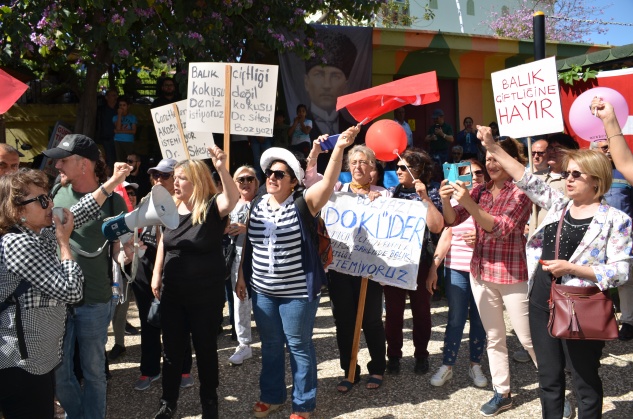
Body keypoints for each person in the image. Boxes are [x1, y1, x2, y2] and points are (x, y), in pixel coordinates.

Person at [479, 121, 632, 419]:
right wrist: (493, 146)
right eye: (566, 173)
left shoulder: (617, 220)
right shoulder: (560, 204)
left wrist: (574, 268)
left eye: (576, 174)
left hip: (581, 303)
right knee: (548, 379)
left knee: (585, 379)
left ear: (596, 180)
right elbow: (524, 177)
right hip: (542, 298)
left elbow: (621, 271)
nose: (568, 179)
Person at [236, 126, 359, 419]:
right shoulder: (256, 205)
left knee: (299, 347)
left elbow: (328, 182)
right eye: (269, 173)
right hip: (263, 291)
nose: (272, 178)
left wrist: (339, 148)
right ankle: (272, 397)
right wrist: (241, 275)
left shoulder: (304, 204)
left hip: (297, 294)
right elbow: (249, 244)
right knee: (271, 346)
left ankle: (303, 405)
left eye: (280, 174)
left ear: (293, 182)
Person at [0, 164, 130, 418]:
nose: (50, 204)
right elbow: (71, 291)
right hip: (20, 362)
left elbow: (78, 212)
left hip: (37, 359)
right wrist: (64, 244)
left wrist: (112, 183)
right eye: (41, 200)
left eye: (48, 197)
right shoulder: (18, 243)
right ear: (17, 210)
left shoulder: (37, 233)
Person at [440, 137, 535, 417]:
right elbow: (451, 219)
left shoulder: (521, 193)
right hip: (480, 273)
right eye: (489, 158)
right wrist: (446, 200)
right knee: (494, 337)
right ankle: (502, 392)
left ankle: (554, 388)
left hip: (512, 274)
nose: (492, 163)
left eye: (498, 157)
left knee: (528, 338)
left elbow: (499, 227)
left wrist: (467, 201)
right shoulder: (480, 191)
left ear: (513, 162)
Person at [44, 134, 130, 419]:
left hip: (93, 299)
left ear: (83, 165)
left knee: (94, 371)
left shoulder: (114, 202)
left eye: (63, 160)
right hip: (58, 300)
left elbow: (120, 247)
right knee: (60, 372)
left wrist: (126, 254)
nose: (57, 165)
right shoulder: (58, 190)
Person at [150, 147, 239, 419]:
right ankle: (168, 402)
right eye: (174, 177)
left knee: (205, 350)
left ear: (197, 180)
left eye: (181, 178)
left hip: (205, 295)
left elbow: (232, 198)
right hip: (174, 292)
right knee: (173, 351)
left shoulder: (212, 207)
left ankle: (209, 403)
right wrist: (157, 273)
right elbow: (164, 240)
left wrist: (222, 167)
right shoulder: (169, 208)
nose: (174, 182)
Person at [329, 145, 392, 393]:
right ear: (348, 167)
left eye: (364, 162)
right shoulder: (337, 192)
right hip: (341, 269)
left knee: (371, 320)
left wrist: (380, 207)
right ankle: (350, 370)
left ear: (373, 169)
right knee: (344, 321)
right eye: (354, 162)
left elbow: (391, 231)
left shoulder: (383, 195)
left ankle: (377, 367)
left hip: (370, 271)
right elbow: (312, 182)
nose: (358, 166)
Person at [131, 158, 194, 391]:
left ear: (176, 179)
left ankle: (183, 368)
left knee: (178, 322)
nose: (158, 179)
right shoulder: (147, 199)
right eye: (155, 175)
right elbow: (135, 228)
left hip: (172, 270)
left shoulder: (185, 204)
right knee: (148, 321)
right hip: (144, 269)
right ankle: (149, 370)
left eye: (165, 176)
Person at [426, 159, 488, 388]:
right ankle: (447, 365)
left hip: (483, 269)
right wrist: (434, 267)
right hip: (456, 269)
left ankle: (475, 365)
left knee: (480, 321)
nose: (475, 178)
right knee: (455, 319)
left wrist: (483, 238)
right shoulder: (453, 202)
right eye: (469, 174)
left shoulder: (490, 201)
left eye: (479, 173)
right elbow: (446, 235)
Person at [384, 148, 444, 376]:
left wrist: (425, 198)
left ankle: (421, 355)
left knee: (421, 312)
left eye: (403, 167)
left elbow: (437, 227)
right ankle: (394, 357)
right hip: (394, 264)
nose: (397, 171)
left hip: (420, 262)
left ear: (417, 170)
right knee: (393, 314)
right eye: (397, 167)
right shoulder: (391, 193)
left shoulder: (433, 192)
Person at [591, 97, 633, 342]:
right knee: (597, 280)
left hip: (624, 238)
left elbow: (625, 161)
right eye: (602, 147)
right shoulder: (586, 175)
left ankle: (627, 321)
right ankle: (599, 320)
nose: (606, 151)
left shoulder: (623, 173)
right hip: (596, 238)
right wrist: (609, 119)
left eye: (609, 147)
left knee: (626, 280)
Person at [225, 166, 259, 366]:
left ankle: (276, 340)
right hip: (237, 258)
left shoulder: (264, 203)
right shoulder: (230, 205)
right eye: (240, 179)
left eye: (250, 179)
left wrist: (247, 228)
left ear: (257, 182)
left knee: (265, 303)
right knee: (240, 302)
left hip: (262, 259)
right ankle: (244, 344)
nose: (245, 183)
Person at [107, 180, 140, 362]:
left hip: (143, 270)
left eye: (132, 193)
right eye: (126, 193)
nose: (130, 197)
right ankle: (119, 343)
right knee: (120, 307)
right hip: (122, 270)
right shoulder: (113, 217)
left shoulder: (142, 213)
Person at [96, 88, 119, 168]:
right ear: (106, 97)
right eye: (113, 95)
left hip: (118, 138)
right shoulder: (101, 110)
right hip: (106, 138)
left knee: (118, 160)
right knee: (109, 160)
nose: (115, 97)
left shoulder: (119, 109)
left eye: (116, 95)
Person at [113, 97, 137, 162]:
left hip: (129, 141)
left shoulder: (132, 117)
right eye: (120, 105)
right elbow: (117, 128)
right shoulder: (115, 117)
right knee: (120, 160)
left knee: (130, 160)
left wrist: (119, 131)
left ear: (128, 106)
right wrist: (119, 115)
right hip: (118, 140)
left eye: (124, 105)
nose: (122, 107)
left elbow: (133, 131)